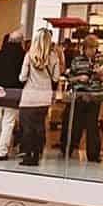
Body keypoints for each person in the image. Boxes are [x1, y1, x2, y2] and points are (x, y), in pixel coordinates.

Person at [13, 27, 61, 166]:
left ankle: (28, 155)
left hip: (29, 96)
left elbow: (22, 77)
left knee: (27, 128)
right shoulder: (53, 57)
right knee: (39, 126)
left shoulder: (29, 55)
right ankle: (37, 153)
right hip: (44, 97)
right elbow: (56, 77)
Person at [63, 32, 103, 161]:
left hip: (95, 96)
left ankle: (94, 154)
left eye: (94, 48)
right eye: (90, 48)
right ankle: (69, 149)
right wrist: (79, 78)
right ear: (84, 48)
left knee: (92, 126)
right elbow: (69, 78)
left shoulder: (101, 59)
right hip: (80, 96)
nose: (92, 51)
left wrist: (101, 74)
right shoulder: (77, 60)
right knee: (75, 125)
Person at [0, 29, 26, 157]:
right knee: (8, 122)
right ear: (20, 42)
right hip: (13, 93)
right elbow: (23, 77)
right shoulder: (23, 56)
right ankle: (2, 151)